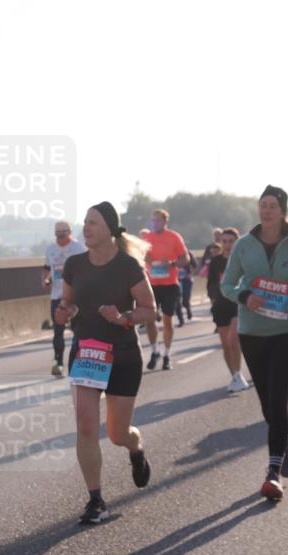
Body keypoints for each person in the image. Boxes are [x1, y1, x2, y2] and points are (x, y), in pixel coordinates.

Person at [220, 185, 288, 501]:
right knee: (267, 404)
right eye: (262, 205)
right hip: (253, 332)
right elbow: (227, 284)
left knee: (278, 400)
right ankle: (284, 441)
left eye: (272, 206)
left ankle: (273, 472)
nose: (266, 211)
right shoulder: (245, 245)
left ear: (282, 210)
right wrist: (245, 296)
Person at [55, 202, 155, 524]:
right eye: (84, 222)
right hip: (87, 353)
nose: (86, 228)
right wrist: (64, 312)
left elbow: (149, 309)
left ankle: (135, 447)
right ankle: (95, 499)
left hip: (123, 355)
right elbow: (68, 302)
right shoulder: (74, 264)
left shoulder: (128, 267)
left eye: (93, 223)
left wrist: (124, 317)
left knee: (116, 433)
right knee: (86, 426)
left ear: (110, 229)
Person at [143, 209, 190, 370]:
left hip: (170, 284)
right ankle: (155, 350)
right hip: (152, 284)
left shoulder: (174, 237)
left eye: (158, 220)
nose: (154, 223)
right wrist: (145, 258)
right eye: (153, 220)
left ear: (165, 221)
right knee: (149, 319)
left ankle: (167, 354)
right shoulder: (146, 238)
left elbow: (185, 258)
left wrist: (171, 264)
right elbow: (138, 256)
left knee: (168, 321)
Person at [206, 233, 250, 393]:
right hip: (220, 305)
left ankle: (238, 374)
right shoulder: (216, 262)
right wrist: (213, 298)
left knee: (233, 340)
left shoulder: (242, 260)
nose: (228, 244)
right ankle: (235, 376)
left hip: (237, 305)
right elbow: (211, 283)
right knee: (225, 345)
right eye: (224, 241)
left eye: (231, 241)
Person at [43, 221, 87, 376]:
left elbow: (88, 266)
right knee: (58, 330)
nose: (60, 234)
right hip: (57, 295)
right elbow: (47, 268)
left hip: (76, 296)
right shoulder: (51, 249)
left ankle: (79, 362)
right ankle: (59, 363)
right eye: (57, 232)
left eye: (63, 231)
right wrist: (46, 280)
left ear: (69, 232)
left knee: (79, 330)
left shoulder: (78, 248)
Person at [175, 250, 197, 326]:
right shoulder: (171, 253)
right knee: (177, 299)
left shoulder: (188, 253)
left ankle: (188, 311)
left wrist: (190, 273)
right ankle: (181, 319)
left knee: (186, 297)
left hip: (187, 279)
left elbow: (194, 265)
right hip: (175, 280)